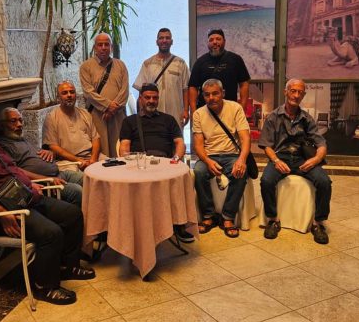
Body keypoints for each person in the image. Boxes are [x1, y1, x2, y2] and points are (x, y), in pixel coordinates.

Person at [0, 107, 95, 306]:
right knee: (51, 233)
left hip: (25, 199)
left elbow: (14, 169)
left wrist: (32, 183)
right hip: (1, 213)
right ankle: (45, 287)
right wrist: (2, 213)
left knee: (73, 214)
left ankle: (68, 266)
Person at [258, 79, 332, 244]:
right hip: (280, 157)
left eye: (300, 92)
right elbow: (266, 145)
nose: (296, 95)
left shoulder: (307, 119)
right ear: (286, 92)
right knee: (266, 181)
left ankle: (317, 223)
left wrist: (316, 159)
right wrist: (276, 161)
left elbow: (321, 144)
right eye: (293, 91)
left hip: (301, 159)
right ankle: (273, 219)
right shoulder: (273, 117)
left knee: (324, 181)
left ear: (303, 95)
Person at [119, 83, 192, 243]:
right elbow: (124, 148)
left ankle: (179, 224)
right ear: (140, 99)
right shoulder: (129, 121)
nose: (151, 101)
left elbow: (180, 143)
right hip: (139, 164)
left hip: (166, 163)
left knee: (181, 177)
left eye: (155, 98)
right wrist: (130, 162)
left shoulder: (169, 120)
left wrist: (176, 159)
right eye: (147, 97)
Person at [192, 79, 251, 239]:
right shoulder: (198, 114)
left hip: (232, 154)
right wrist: (207, 161)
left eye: (215, 93)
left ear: (223, 93)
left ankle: (228, 217)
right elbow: (198, 145)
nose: (211, 98)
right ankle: (208, 215)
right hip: (209, 155)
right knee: (199, 171)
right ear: (203, 96)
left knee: (240, 173)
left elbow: (245, 138)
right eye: (207, 95)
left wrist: (241, 160)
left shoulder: (235, 108)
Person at [0, 107, 84, 206]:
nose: (19, 124)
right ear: (2, 125)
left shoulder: (20, 139)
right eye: (13, 121)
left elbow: (39, 154)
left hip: (59, 174)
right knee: (77, 191)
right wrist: (47, 179)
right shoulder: (2, 145)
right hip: (45, 183)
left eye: (20, 120)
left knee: (87, 179)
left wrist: (50, 152)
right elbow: (15, 171)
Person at [80, 32, 129, 157]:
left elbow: (124, 91)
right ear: (94, 47)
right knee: (101, 149)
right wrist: (107, 105)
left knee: (119, 147)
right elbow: (88, 92)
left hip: (117, 114)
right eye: (100, 45)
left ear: (111, 47)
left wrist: (113, 109)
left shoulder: (120, 65)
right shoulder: (86, 67)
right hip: (97, 114)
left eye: (106, 44)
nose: (103, 48)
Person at [133, 28, 190, 127]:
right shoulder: (147, 64)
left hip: (175, 113)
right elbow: (142, 90)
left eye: (167, 38)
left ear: (172, 41)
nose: (164, 40)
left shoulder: (180, 63)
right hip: (152, 113)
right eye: (161, 38)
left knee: (175, 136)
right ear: (157, 42)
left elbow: (186, 89)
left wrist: (186, 110)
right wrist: (141, 112)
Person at [188, 29, 250, 115]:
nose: (214, 42)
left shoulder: (235, 59)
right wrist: (194, 112)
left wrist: (242, 108)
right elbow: (193, 87)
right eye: (211, 40)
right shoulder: (200, 62)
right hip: (205, 112)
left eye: (218, 39)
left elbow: (244, 84)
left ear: (224, 41)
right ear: (207, 43)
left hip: (230, 111)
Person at [43, 81, 102, 169]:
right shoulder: (51, 118)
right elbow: (53, 146)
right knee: (78, 174)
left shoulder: (85, 113)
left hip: (90, 156)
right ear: (58, 97)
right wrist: (79, 160)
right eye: (64, 93)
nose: (69, 95)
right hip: (67, 161)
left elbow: (95, 138)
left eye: (72, 92)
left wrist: (93, 159)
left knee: (112, 167)